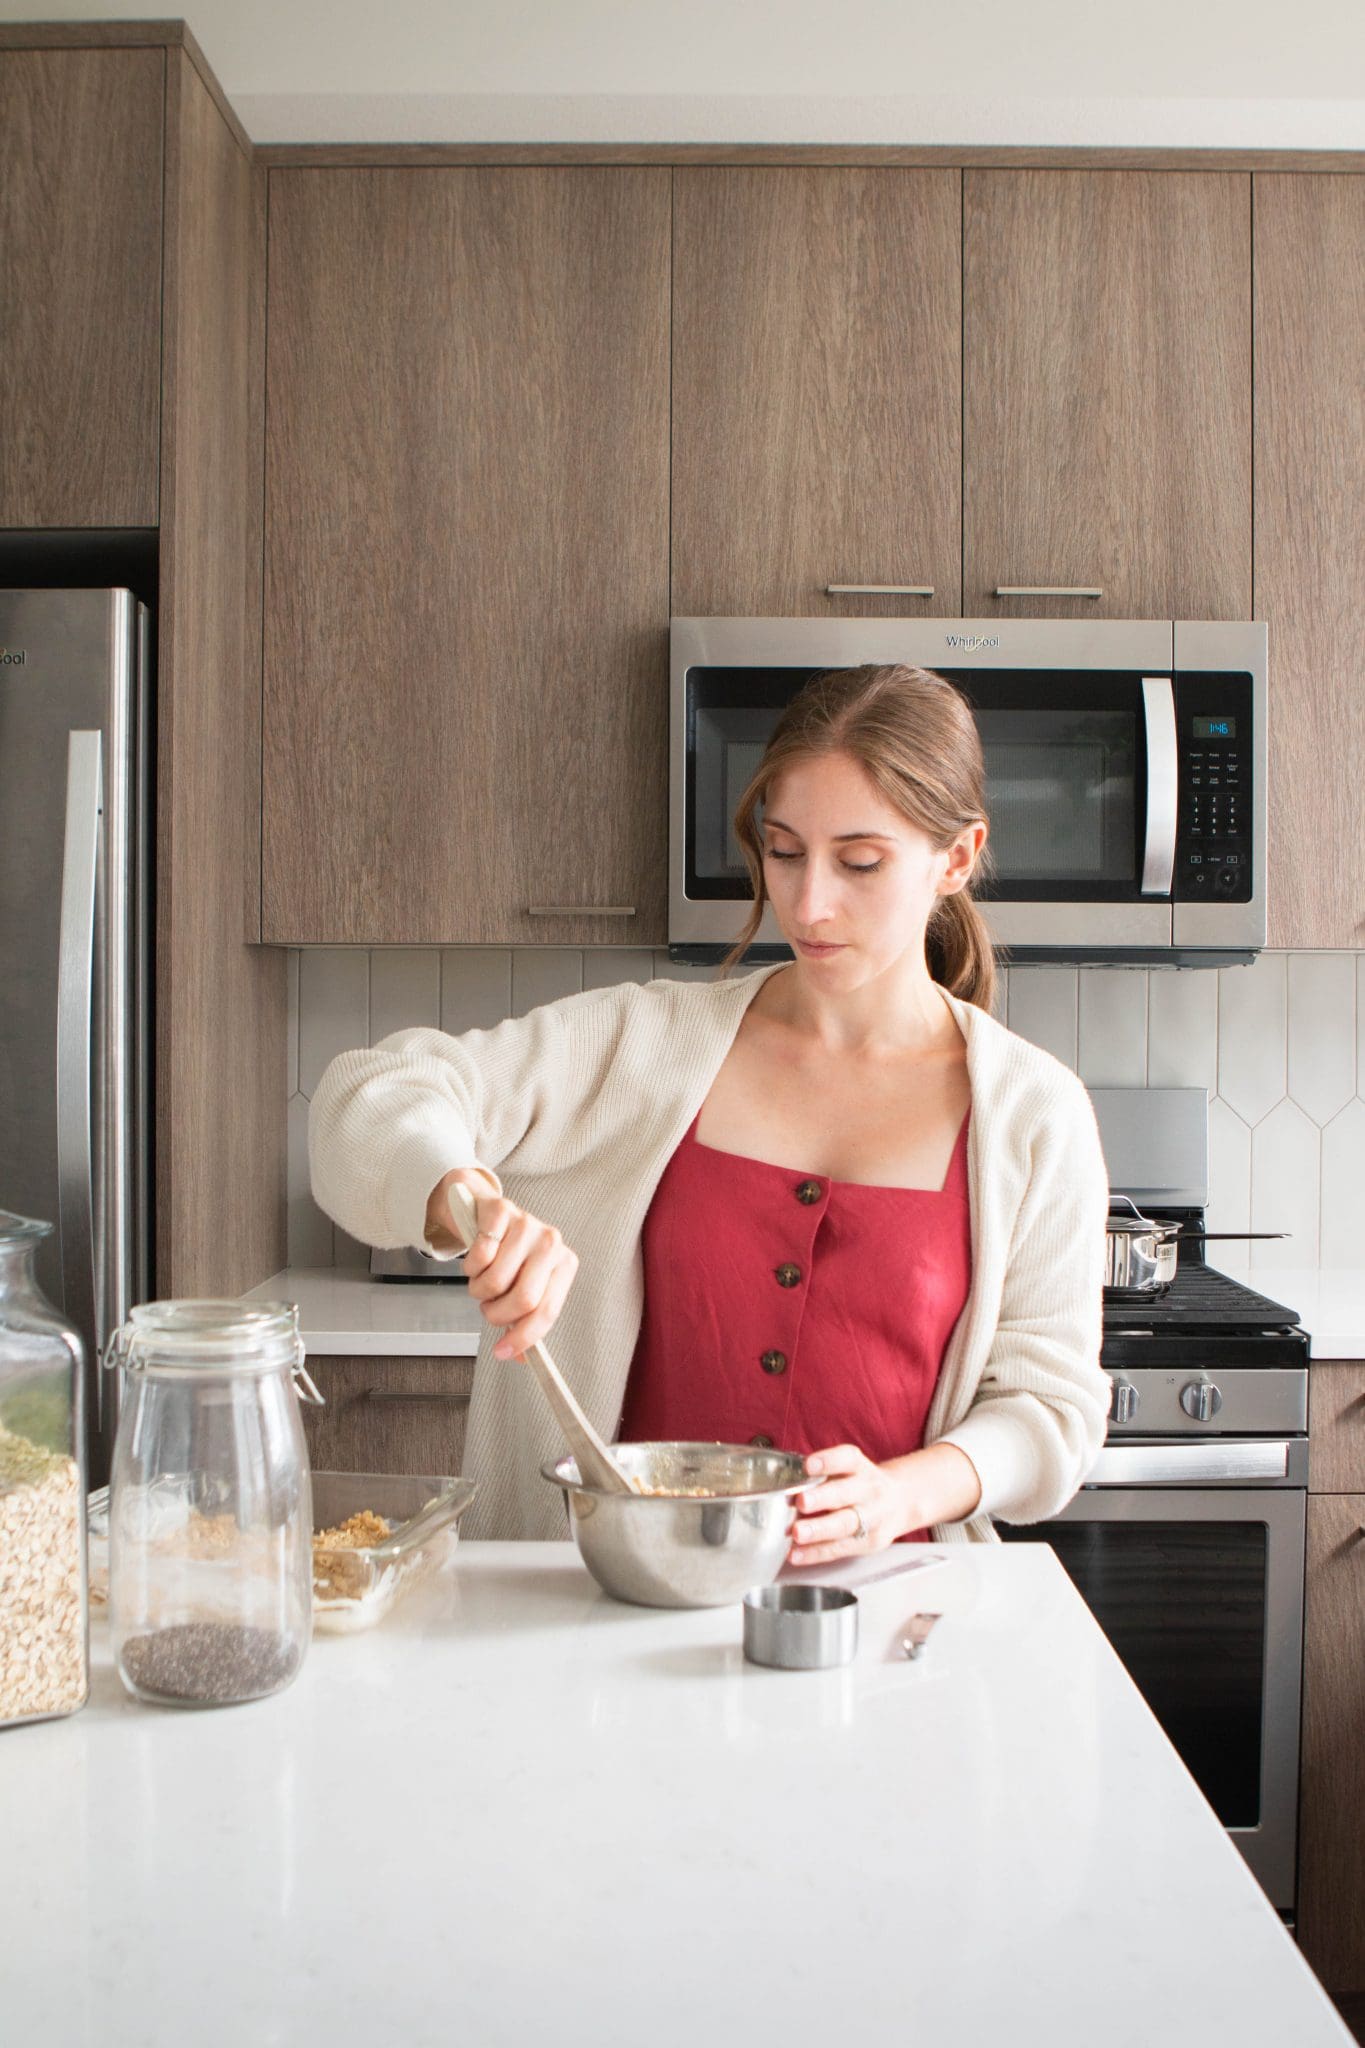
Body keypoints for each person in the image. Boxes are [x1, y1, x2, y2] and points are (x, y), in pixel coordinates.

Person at [310, 663, 1110, 1547]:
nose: (807, 903)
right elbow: (369, 1095)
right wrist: (469, 1199)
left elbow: (1051, 1411)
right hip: (608, 1611)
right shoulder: (643, 1044)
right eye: (783, 850)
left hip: (887, 1629)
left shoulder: (1034, 1113)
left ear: (954, 859)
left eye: (859, 861)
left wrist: (900, 1498)